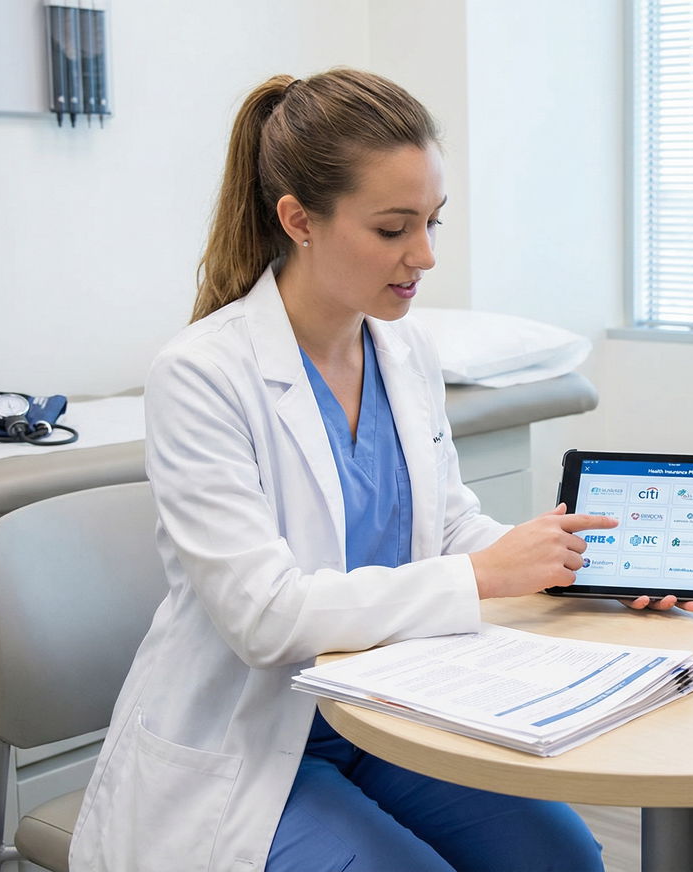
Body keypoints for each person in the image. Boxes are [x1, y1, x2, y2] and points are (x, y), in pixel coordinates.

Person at [68, 68, 613, 872]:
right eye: (393, 228)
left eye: (432, 222)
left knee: (564, 861)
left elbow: (447, 522)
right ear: (299, 220)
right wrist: (484, 576)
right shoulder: (202, 374)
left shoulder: (404, 348)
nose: (423, 255)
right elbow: (267, 618)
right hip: (255, 742)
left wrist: (564, 561)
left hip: (393, 709)